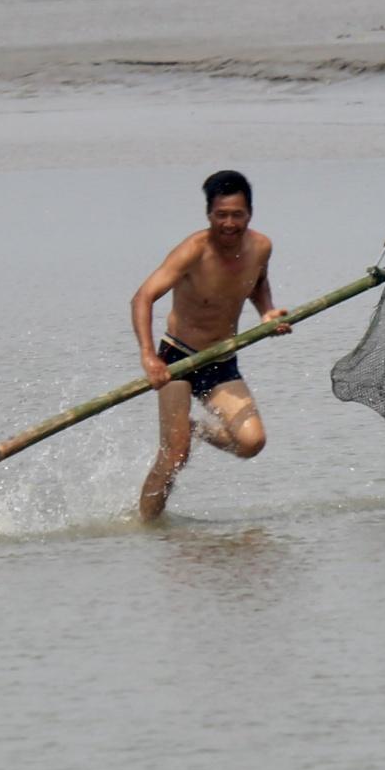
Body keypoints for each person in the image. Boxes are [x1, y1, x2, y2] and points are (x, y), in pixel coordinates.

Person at [131, 170, 289, 521]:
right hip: (178, 359)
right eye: (221, 215)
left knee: (251, 443)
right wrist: (148, 358)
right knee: (175, 456)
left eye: (237, 215)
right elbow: (142, 298)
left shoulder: (261, 246)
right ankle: (146, 528)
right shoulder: (192, 251)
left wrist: (267, 313)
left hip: (222, 357)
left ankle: (197, 428)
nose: (229, 224)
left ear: (250, 213)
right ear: (209, 215)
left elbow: (257, 283)